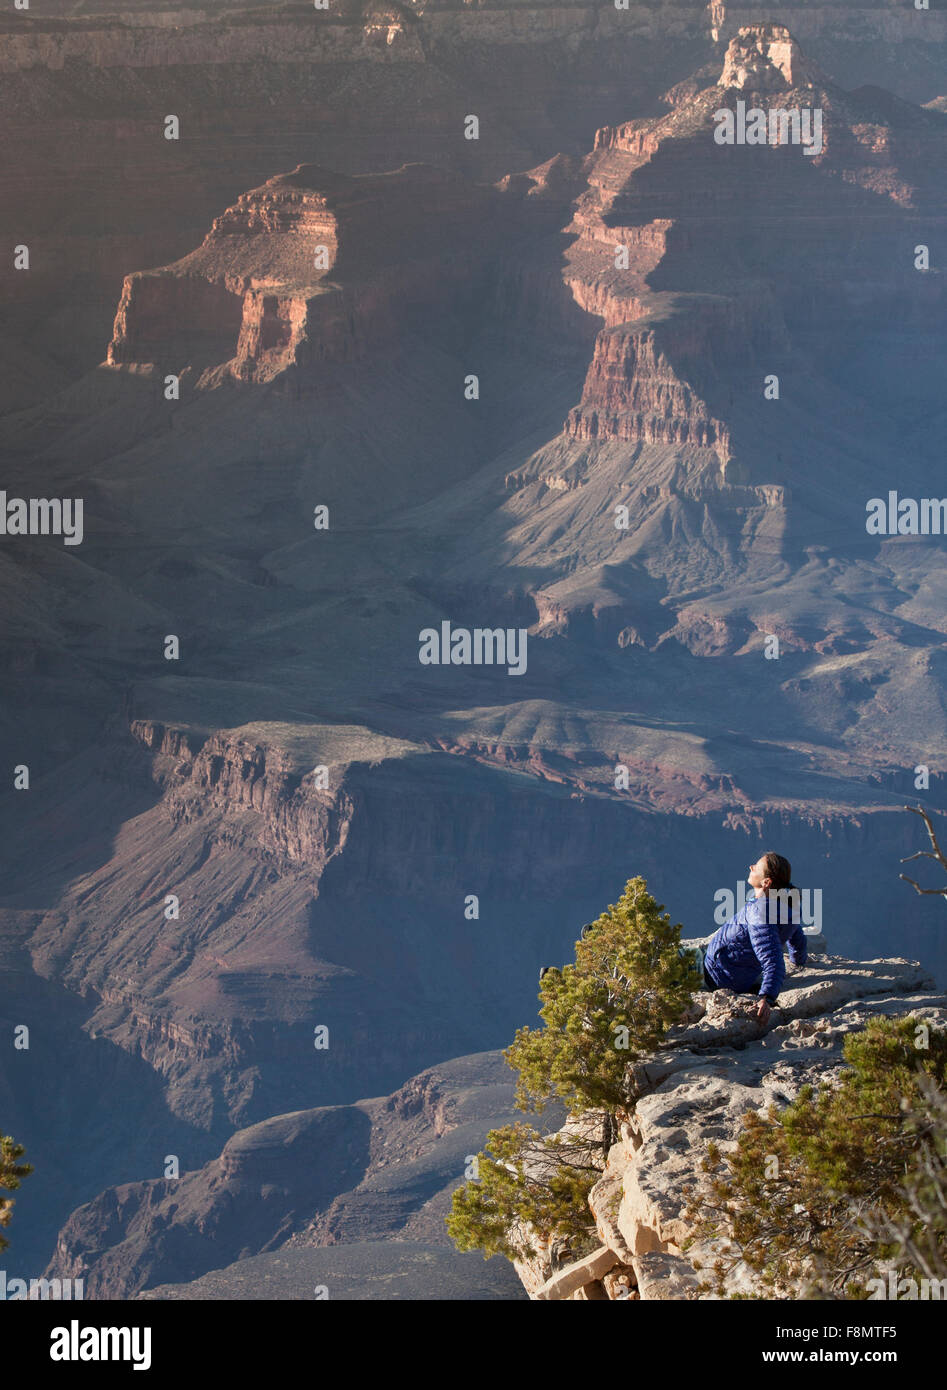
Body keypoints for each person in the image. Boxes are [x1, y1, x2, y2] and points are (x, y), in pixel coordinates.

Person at [702, 852, 808, 1027]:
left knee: (658, 963)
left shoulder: (761, 913)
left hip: (718, 975)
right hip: (731, 967)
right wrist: (798, 960)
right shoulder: (786, 904)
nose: (751, 867)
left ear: (766, 882)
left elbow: (773, 961)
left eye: (756, 867)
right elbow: (797, 936)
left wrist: (766, 998)